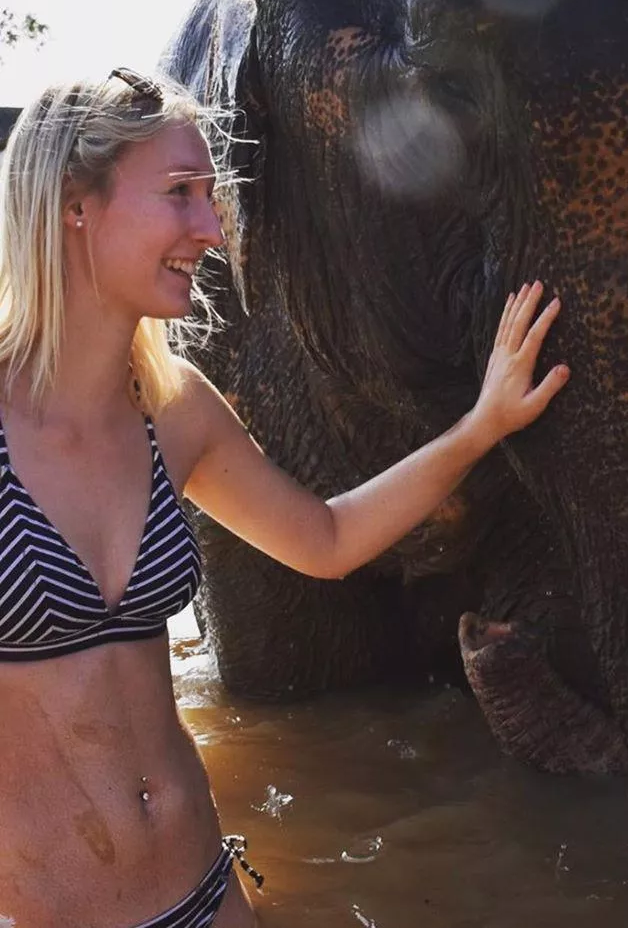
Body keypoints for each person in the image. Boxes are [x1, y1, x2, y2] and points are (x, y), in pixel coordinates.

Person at [0, 71, 569, 928]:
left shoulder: (176, 408)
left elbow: (329, 536)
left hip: (206, 896)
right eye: (180, 195)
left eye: (210, 194)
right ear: (76, 203)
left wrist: (481, 426)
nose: (210, 226)